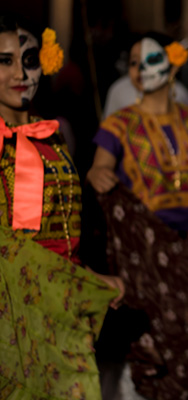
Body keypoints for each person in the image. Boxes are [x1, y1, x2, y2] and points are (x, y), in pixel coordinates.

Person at [86, 31, 188, 399]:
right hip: (147, 249)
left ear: (172, 64)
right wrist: (98, 172)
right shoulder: (117, 124)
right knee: (153, 330)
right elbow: (99, 164)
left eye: (150, 59)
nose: (141, 68)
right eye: (134, 62)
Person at [0, 14, 123, 399]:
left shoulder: (51, 136)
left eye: (29, 59)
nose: (20, 72)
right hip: (13, 312)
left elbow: (62, 234)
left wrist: (83, 274)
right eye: (4, 61)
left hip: (61, 306)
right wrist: (87, 282)